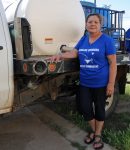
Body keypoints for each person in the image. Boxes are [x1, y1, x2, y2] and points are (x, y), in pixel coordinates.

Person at [49, 13, 117, 150]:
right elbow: (74, 53)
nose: (92, 24)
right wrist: (59, 55)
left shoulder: (107, 41)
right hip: (85, 83)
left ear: (100, 25)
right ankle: (94, 130)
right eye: (90, 22)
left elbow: (113, 63)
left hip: (101, 83)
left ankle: (97, 134)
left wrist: (111, 84)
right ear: (86, 24)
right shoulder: (84, 39)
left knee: (99, 109)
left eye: (96, 22)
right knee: (84, 108)